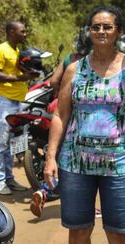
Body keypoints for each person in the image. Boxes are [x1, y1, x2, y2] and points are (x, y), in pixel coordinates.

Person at [44, 6, 125, 244]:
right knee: (79, 229)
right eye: (96, 26)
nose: (101, 31)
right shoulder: (75, 69)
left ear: (119, 31)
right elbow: (61, 114)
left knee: (120, 234)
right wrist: (51, 157)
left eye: (107, 26)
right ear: (89, 31)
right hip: (75, 164)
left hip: (121, 164)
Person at [30, 27, 92, 217]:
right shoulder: (95, 61)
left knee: (62, 156)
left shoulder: (69, 59)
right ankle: (86, 203)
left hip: (60, 108)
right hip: (84, 116)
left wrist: (61, 93)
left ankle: (44, 190)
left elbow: (54, 80)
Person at [0, 21, 38, 195]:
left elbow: (20, 74)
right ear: (12, 32)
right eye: (22, 31)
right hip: (5, 101)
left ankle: (10, 179)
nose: (25, 34)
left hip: (20, 101)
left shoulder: (17, 50)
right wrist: (20, 78)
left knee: (15, 142)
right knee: (2, 142)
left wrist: (30, 75)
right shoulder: (1, 50)